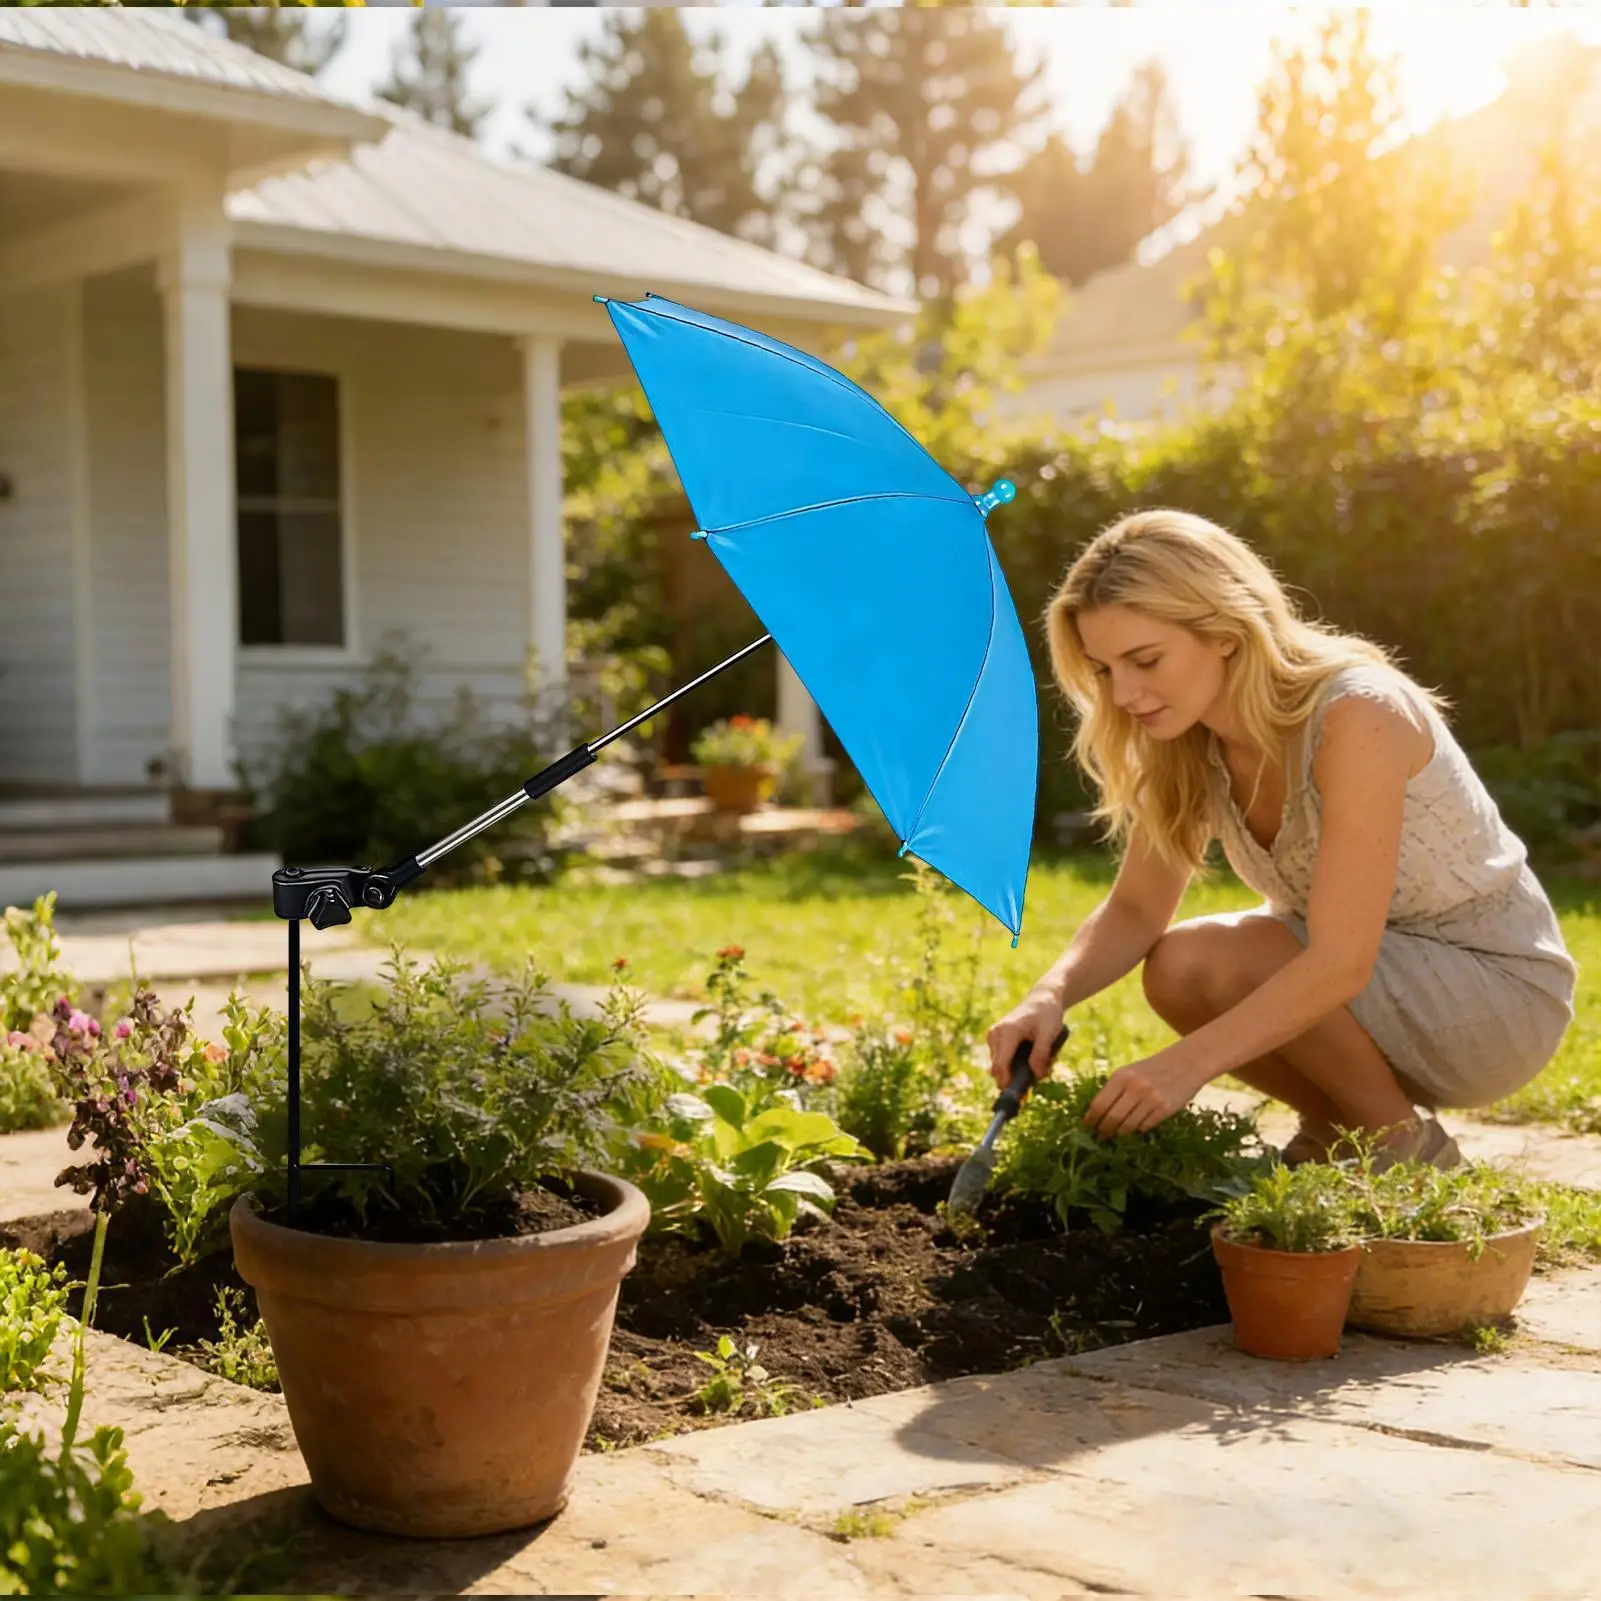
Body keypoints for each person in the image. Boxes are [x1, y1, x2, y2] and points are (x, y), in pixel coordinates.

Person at [987, 509, 1578, 1169]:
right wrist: (1049, 994)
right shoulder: (1186, 741)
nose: (1123, 692)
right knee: (1181, 964)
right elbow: (1134, 910)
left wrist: (1183, 1067)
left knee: (1237, 954)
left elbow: (1339, 961)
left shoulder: (1357, 714)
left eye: (1144, 659)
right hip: (1378, 989)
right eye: (1101, 670)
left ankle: (1403, 1150)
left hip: (1494, 995)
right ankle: (1336, 1130)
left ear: (1224, 631)